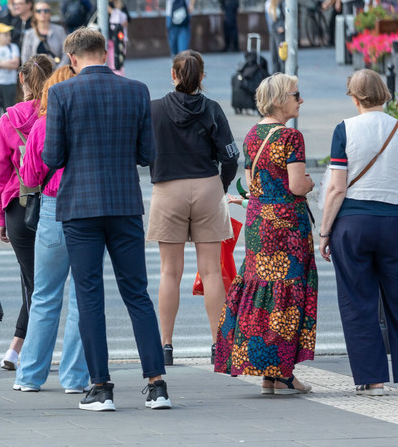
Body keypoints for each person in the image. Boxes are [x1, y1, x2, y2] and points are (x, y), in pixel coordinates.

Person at [41, 27, 169, 412]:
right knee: (137, 294)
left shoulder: (62, 92)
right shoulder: (136, 90)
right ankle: (157, 384)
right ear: (106, 52)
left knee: (89, 295)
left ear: (73, 59)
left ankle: (100, 387)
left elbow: (52, 157)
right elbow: (148, 154)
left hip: (80, 207)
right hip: (125, 204)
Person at [318, 70, 398, 395]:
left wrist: (324, 232)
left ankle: (372, 379)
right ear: (384, 93)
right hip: (395, 223)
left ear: (354, 97)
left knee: (357, 300)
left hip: (354, 224)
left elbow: (337, 188)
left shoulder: (344, 130)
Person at [214, 74, 317, 394]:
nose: (301, 100)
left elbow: (250, 181)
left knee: (262, 292)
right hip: (287, 225)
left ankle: (267, 374)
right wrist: (312, 183)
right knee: (287, 295)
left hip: (260, 223)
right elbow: (297, 185)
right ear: (279, 100)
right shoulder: (291, 137)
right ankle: (283, 370)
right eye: (296, 95)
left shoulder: (253, 134)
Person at [148, 51, 238, 366]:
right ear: (202, 77)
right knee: (212, 271)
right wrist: (221, 186)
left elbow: (144, 150)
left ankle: (165, 346)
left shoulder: (155, 109)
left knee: (169, 271)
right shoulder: (212, 109)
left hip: (168, 188)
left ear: (173, 75)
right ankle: (219, 345)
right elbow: (230, 155)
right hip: (207, 186)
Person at [13, 66, 87, 392]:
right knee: (83, 298)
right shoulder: (89, 124)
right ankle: (74, 377)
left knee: (44, 296)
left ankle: (29, 375)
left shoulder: (42, 126)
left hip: (53, 206)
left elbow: (29, 179)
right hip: (87, 210)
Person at [0, 54, 53, 375]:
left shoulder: (7, 120)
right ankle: (24, 349)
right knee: (40, 284)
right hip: (51, 203)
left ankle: (18, 348)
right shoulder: (54, 116)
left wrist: (1, 219)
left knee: (32, 281)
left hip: (18, 206)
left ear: (22, 81)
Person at [21, 0, 67, 68]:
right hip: (36, 73)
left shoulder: (59, 30)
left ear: (50, 13)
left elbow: (66, 53)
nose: (43, 13)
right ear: (35, 14)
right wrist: (31, 73)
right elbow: (25, 57)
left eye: (46, 11)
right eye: (39, 11)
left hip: (56, 72)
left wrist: (59, 71)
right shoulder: (29, 34)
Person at [106, 0, 130, 75]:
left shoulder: (120, 4)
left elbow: (128, 19)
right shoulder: (103, 3)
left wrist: (116, 14)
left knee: (118, 63)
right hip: (107, 39)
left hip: (119, 39)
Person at [266, 0, 287, 73]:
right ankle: (275, 78)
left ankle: (281, 79)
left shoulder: (281, 3)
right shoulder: (270, 4)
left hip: (278, 32)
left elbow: (286, 15)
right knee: (274, 57)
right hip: (274, 31)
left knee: (281, 58)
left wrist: (282, 26)